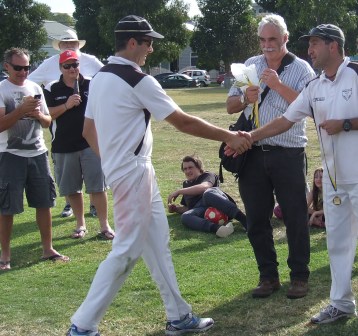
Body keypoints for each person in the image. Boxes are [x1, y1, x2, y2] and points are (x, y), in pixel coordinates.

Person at [66, 15, 250, 336]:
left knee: (157, 245)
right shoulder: (136, 80)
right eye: (148, 42)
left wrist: (112, 161)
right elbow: (183, 122)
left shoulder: (101, 78)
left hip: (132, 172)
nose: (151, 48)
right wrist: (228, 136)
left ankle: (178, 316)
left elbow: (88, 130)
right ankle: (83, 325)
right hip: (134, 174)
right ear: (133, 42)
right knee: (125, 252)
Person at [234, 23, 358, 324]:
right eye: (309, 44)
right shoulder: (315, 86)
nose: (310, 50)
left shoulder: (355, 73)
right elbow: (285, 120)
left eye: (315, 44)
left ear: (333, 46)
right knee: (338, 243)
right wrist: (249, 137)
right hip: (333, 180)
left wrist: (346, 124)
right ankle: (341, 303)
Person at [226, 14, 316, 299]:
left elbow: (310, 107)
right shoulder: (250, 65)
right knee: (256, 219)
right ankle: (268, 277)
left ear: (285, 39)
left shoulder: (302, 69)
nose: (267, 45)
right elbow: (230, 106)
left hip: (288, 152)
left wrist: (277, 86)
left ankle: (299, 276)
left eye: (272, 39)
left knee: (295, 216)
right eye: (263, 40)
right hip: (251, 154)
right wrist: (245, 99)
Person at [0, 47, 70, 271]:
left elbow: (48, 121)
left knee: (45, 202)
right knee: (7, 207)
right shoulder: (1, 90)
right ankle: (5, 256)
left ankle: (47, 249)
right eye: (18, 68)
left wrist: (38, 114)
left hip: (38, 153)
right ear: (6, 67)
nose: (23, 72)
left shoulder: (34, 87)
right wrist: (20, 110)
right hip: (10, 155)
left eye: (27, 67)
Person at [29, 29, 103, 218]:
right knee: (69, 177)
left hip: (91, 130)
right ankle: (70, 206)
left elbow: (108, 77)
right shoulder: (49, 67)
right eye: (65, 43)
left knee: (95, 177)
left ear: (78, 45)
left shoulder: (91, 61)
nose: (69, 45)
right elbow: (30, 83)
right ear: (59, 47)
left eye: (73, 43)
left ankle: (95, 207)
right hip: (63, 132)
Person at [44, 50, 115, 240]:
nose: (72, 69)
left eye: (75, 64)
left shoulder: (91, 84)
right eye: (67, 66)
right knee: (72, 189)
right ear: (60, 68)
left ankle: (104, 225)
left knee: (98, 187)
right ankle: (80, 225)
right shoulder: (51, 88)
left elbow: (106, 108)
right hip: (64, 146)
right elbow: (45, 115)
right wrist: (66, 105)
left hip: (91, 144)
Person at [168, 155, 247, 237]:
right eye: (185, 169)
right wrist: (176, 209)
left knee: (207, 193)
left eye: (190, 167)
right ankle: (219, 229)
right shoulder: (186, 185)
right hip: (203, 210)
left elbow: (205, 187)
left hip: (218, 204)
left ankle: (245, 221)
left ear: (199, 167)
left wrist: (179, 191)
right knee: (185, 216)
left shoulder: (208, 175)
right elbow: (188, 208)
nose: (187, 171)